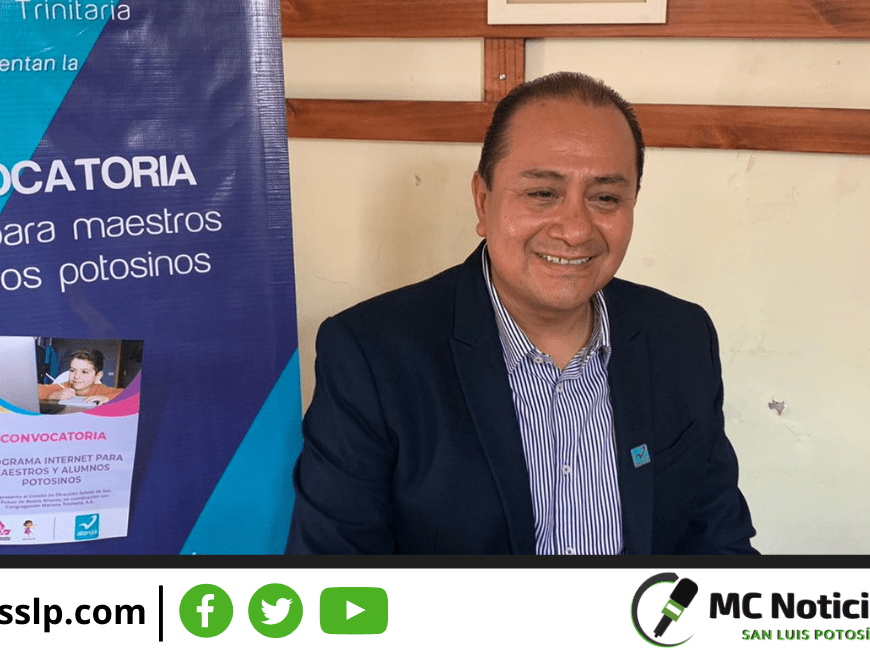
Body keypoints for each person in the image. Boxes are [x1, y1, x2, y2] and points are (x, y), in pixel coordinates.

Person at [287, 71, 757, 555]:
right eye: (542, 193)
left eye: (605, 198)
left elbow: (719, 544)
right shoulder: (372, 356)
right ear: (483, 201)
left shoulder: (681, 337)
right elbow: (336, 579)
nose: (575, 229)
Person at [38, 349, 122, 406]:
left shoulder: (101, 390)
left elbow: (128, 394)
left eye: (84, 372)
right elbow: (34, 390)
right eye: (72, 370)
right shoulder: (62, 387)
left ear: (98, 376)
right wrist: (53, 396)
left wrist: (107, 398)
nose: (76, 376)